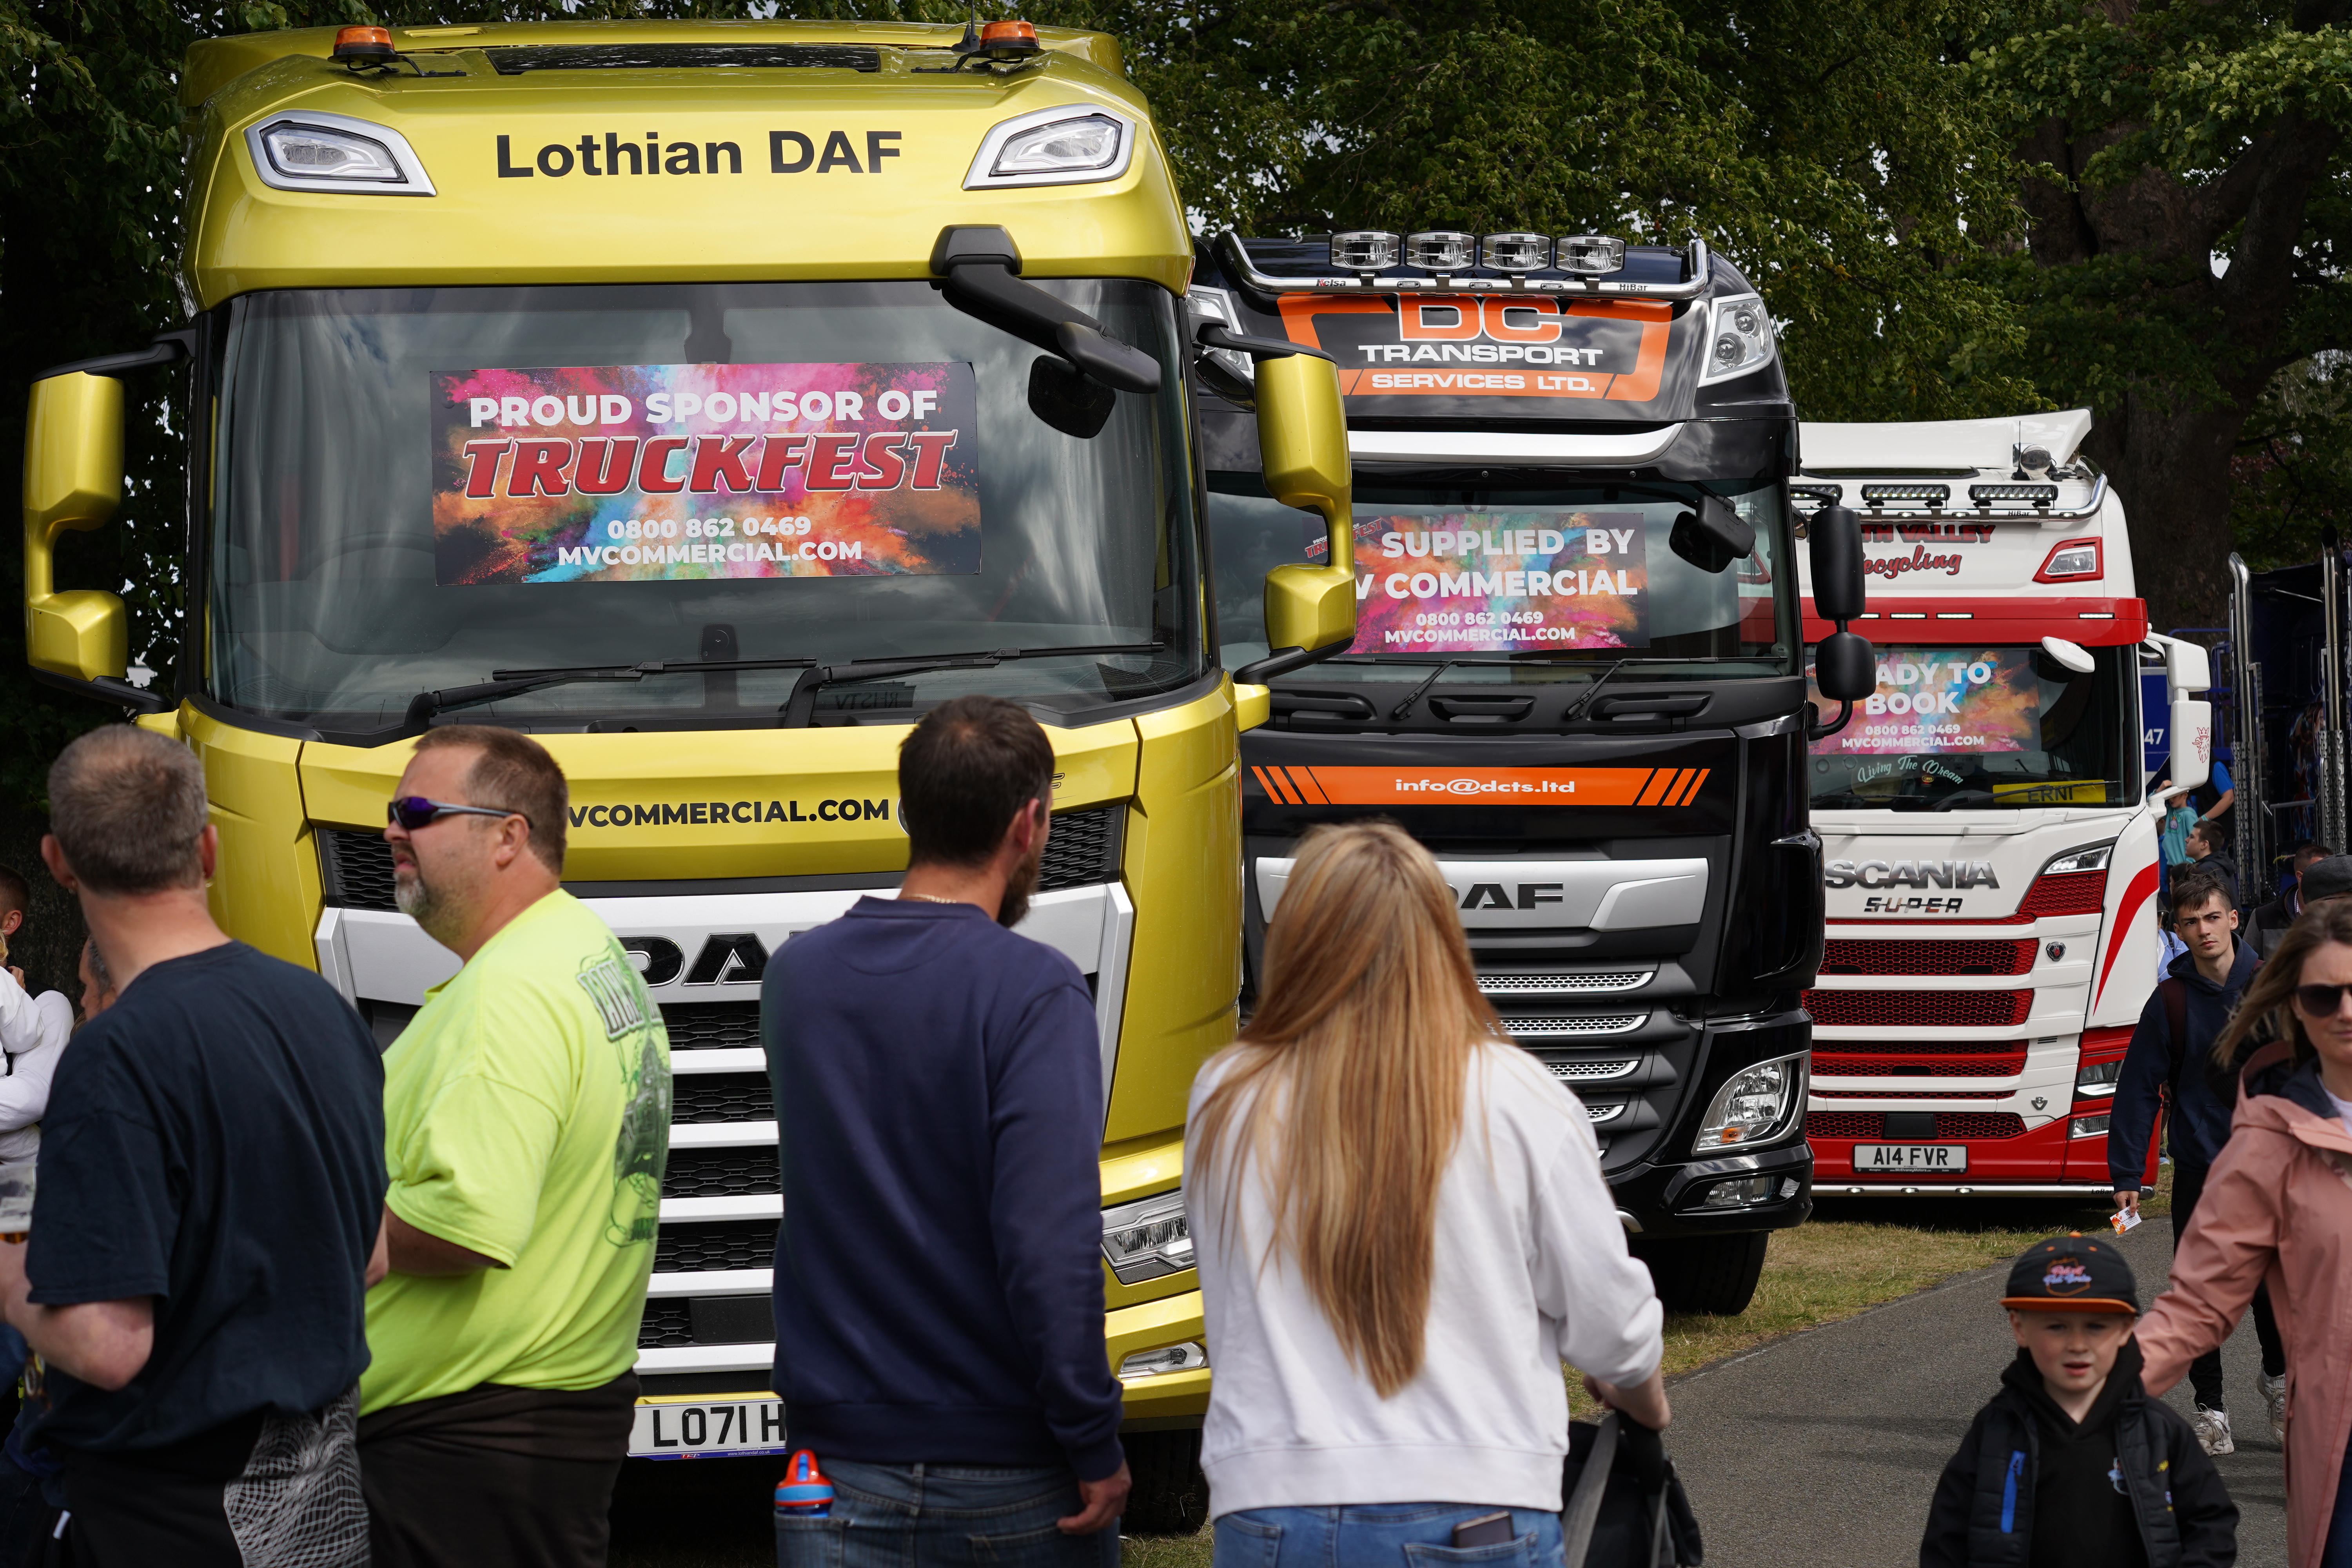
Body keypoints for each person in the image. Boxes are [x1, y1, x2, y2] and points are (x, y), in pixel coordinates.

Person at [1188, 820, 1667, 1566]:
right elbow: (1610, 1324)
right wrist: (1645, 1399)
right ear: (1442, 938)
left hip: (1271, 1498)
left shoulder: (1227, 1095)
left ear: (1295, 939)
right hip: (1473, 1503)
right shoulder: (1519, 1096)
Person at [0, 725, 386, 1566]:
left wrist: (8, 1273)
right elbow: (371, 1255)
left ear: (60, 861)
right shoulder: (321, 1011)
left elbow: (108, 1344)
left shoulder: (116, 1054)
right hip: (321, 1503)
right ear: (208, 847)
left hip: (174, 1514)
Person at [764, 694, 1129, 1568]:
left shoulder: (797, 977)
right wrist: (1093, 1434)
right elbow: (1048, 1241)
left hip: (833, 1459)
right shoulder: (1036, 990)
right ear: (1029, 823)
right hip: (1008, 1465)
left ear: (906, 810)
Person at [358, 725, 670, 1568]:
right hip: (531, 1427)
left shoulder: (509, 994)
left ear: (508, 836)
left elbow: (469, 1222)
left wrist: (330, 1230)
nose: (392, 828)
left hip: (459, 1446)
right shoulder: (583, 952)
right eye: (394, 810)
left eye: (418, 811)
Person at [2133, 898, 2352, 1566]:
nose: (2346, 1010)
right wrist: (2076, 1395)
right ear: (2294, 1008)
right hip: (2342, 1447)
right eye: (2323, 995)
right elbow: (2198, 1305)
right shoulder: (2266, 1143)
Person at [1918, 1233, 2236, 1568]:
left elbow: (2211, 1527)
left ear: (2126, 1328)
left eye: (2096, 1327)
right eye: (2057, 1327)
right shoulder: (1997, 1429)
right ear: (2020, 1327)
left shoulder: (2159, 1431)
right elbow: (1947, 1538)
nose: (2078, 1344)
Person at [2107, 864, 2277, 1454]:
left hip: (2271, 1173)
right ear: (2176, 931)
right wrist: (2128, 1172)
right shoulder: (2171, 1000)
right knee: (2202, 1293)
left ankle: (2280, 1387)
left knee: (2269, 1291)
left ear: (2233, 918)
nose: (2204, 930)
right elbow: (2138, 1087)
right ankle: (2212, 1412)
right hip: (2202, 1172)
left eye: (2213, 917)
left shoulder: (2274, 986)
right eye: (2190, 922)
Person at [2250, 844, 2337, 957]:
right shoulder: (2263, 917)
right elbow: (2247, 969)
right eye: (2321, 874)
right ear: (2300, 877)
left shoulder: (2342, 914)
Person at [2184, 819, 2241, 910]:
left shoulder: (2203, 870)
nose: (2186, 840)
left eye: (2192, 837)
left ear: (2204, 844)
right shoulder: (2222, 865)